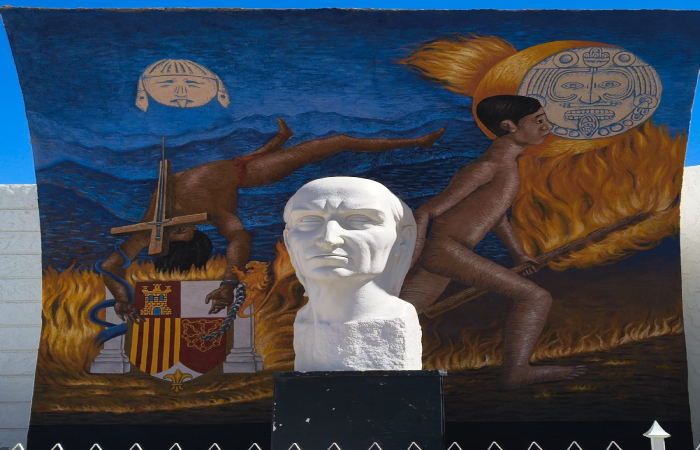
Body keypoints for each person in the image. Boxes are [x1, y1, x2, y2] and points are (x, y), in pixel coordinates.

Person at [100, 119, 445, 323]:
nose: (181, 230)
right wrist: (228, 284)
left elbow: (110, 266)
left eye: (180, 232)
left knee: (328, 143)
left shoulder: (151, 227)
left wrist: (119, 294)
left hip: (235, 163)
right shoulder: (210, 215)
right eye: (184, 233)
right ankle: (419, 141)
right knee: (337, 142)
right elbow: (241, 240)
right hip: (245, 172)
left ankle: (283, 138)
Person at [400, 95, 586, 390]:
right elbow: (426, 212)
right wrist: (410, 260)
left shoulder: (506, 165)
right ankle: (517, 372)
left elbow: (495, 216)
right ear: (509, 126)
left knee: (400, 312)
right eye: (538, 121)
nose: (547, 126)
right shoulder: (487, 167)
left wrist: (518, 255)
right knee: (535, 298)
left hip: (448, 253)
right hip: (446, 251)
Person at [283, 177, 421, 371]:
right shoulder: (304, 321)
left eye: (359, 219)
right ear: (288, 240)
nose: (329, 239)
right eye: (308, 221)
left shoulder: (397, 318)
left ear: (402, 239)